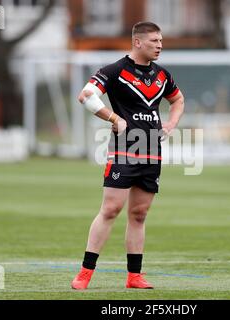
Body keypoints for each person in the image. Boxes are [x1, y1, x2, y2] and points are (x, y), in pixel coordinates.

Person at [71, 22, 185, 290]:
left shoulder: (162, 75)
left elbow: (178, 100)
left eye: (161, 41)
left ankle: (135, 277)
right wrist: (113, 117)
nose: (159, 45)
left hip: (152, 150)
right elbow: (86, 96)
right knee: (110, 210)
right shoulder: (114, 71)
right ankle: (85, 274)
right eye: (154, 41)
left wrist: (170, 124)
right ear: (137, 42)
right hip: (125, 148)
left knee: (139, 214)